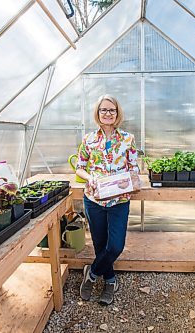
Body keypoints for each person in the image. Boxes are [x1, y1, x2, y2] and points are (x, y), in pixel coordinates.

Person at [76, 94, 140, 305]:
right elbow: (80, 168)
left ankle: (92, 274)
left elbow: (133, 168)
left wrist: (131, 181)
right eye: (103, 110)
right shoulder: (88, 139)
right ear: (98, 113)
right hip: (93, 199)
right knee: (99, 243)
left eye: (111, 110)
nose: (107, 113)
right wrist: (90, 177)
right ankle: (110, 280)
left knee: (115, 246)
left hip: (119, 200)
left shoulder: (128, 139)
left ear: (117, 113)